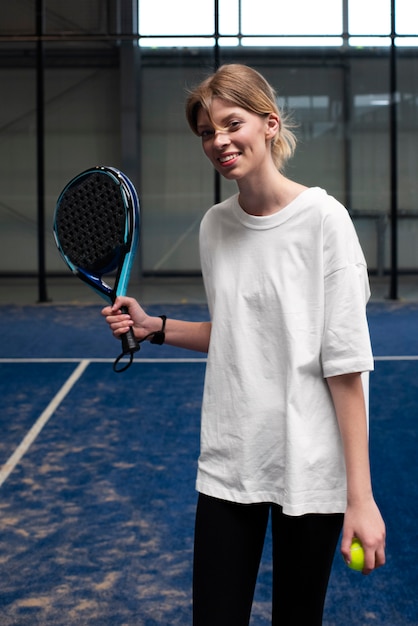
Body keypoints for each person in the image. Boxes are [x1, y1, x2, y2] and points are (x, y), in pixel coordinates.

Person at [102, 64, 386, 625]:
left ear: (270, 124)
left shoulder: (325, 221)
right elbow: (237, 333)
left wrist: (361, 497)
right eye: (207, 132)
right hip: (232, 460)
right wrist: (152, 326)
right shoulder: (214, 226)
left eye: (232, 124)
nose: (219, 141)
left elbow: (346, 365)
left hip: (310, 464)